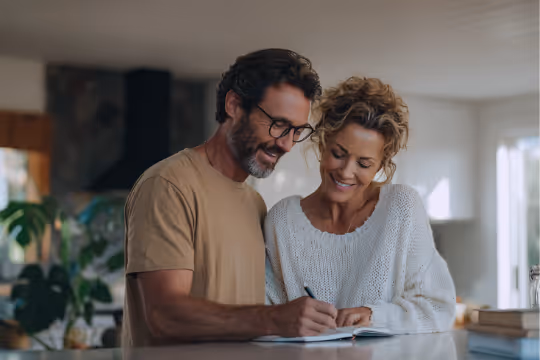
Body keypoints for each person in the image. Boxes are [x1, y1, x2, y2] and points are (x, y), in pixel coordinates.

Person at [122, 49, 338, 347]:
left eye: (297, 131)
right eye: (278, 124)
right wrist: (274, 319)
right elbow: (164, 316)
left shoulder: (255, 203)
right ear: (234, 105)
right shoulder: (169, 185)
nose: (287, 144)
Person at [265, 76, 457, 334]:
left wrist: (374, 316)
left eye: (364, 164)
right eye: (338, 154)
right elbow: (265, 313)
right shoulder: (282, 220)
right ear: (322, 143)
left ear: (381, 164)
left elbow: (439, 308)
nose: (346, 172)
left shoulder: (401, 208)